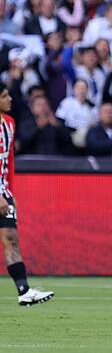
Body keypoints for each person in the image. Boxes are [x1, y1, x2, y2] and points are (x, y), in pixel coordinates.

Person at [0, 83, 54, 305]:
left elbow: (8, 162)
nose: (10, 99)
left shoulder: (9, 124)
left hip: (4, 191)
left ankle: (24, 291)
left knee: (11, 239)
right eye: (4, 96)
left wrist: (8, 192)